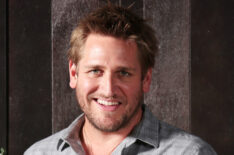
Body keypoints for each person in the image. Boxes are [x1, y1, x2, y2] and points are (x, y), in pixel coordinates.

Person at [25, 4, 217, 155]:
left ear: (146, 79)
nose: (108, 90)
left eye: (124, 73)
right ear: (74, 74)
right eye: (95, 71)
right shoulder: (38, 153)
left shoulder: (191, 153)